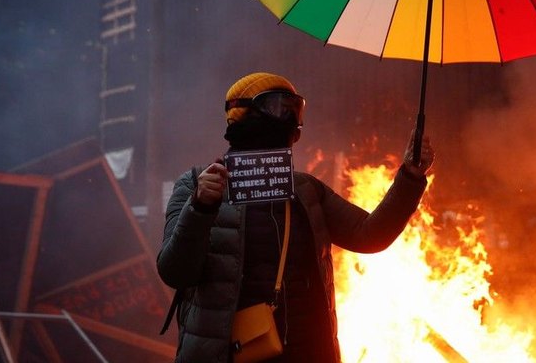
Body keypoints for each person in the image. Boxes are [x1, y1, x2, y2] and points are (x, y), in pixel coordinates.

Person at [157, 72, 434, 362]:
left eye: (295, 109)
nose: (288, 118)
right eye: (277, 107)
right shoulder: (195, 184)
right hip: (227, 354)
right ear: (242, 114)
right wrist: (200, 207)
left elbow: (369, 235)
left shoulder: (305, 189)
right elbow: (175, 272)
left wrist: (410, 178)